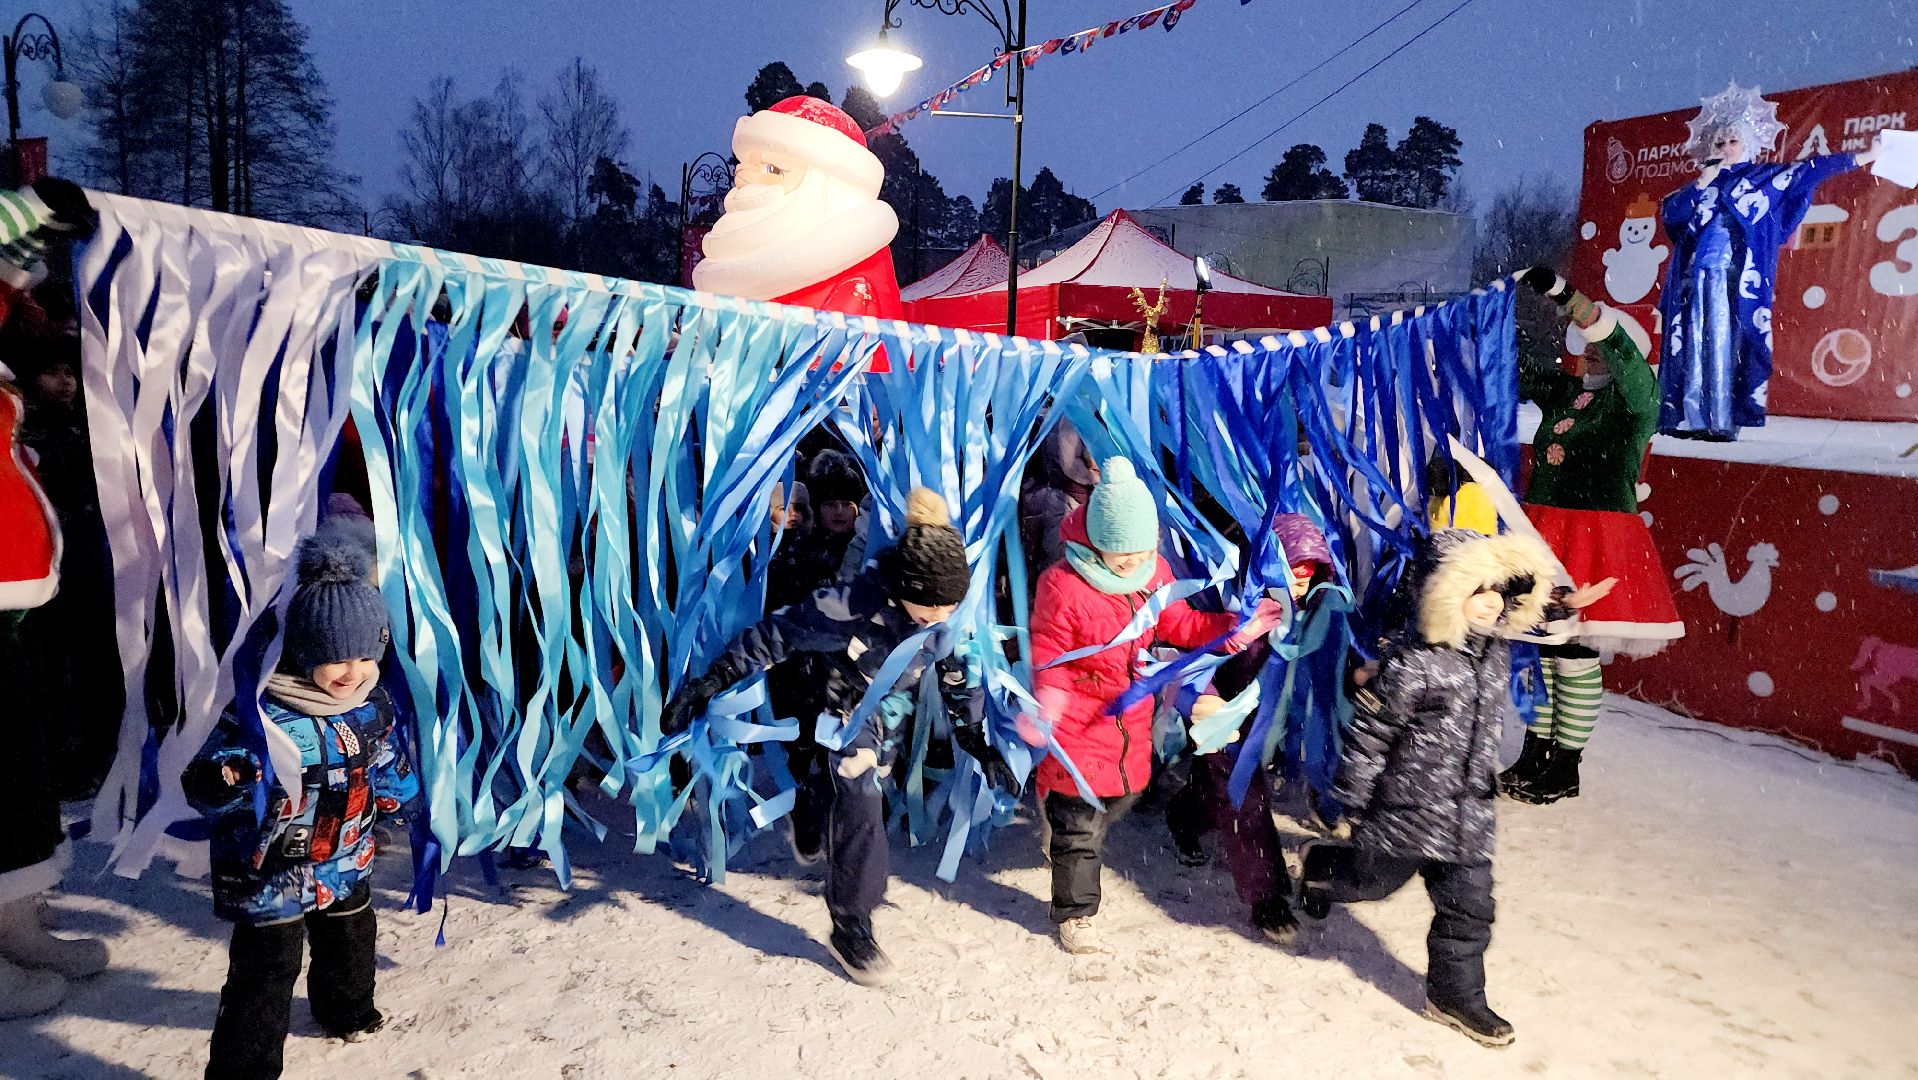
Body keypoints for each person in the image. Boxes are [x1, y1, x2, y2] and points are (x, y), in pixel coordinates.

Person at [662, 488, 1016, 987]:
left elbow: (961, 672)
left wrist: (976, 738)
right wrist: (712, 681)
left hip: (891, 711)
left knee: (858, 797)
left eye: (947, 610)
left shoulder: (944, 619)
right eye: (929, 610)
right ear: (905, 589)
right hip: (844, 707)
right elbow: (775, 635)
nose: (938, 620)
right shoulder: (853, 605)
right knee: (863, 803)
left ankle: (812, 798)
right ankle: (852, 923)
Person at [1297, 529, 1612, 1047]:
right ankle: (1322, 866)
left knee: (1469, 909)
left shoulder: (1493, 648)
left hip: (1470, 816)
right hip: (1405, 813)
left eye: (1498, 592)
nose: (1491, 604)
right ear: (1444, 596)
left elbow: (1531, 623)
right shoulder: (1412, 664)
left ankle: (1455, 996)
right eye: (1476, 591)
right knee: (1370, 885)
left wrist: (1561, 604)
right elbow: (1373, 736)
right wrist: (1350, 799)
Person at [185, 534, 420, 1079]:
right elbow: (202, 783)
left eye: (365, 656)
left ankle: (347, 1009)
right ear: (302, 651)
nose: (352, 672)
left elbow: (382, 760)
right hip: (271, 871)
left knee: (352, 936)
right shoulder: (262, 716)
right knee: (267, 970)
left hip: (345, 855)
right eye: (334, 658)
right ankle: (245, 1070)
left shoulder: (371, 706)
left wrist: (403, 801)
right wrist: (226, 779)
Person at [1028, 457, 1281, 954]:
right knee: (1081, 820)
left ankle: (1059, 828)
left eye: (1143, 548)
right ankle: (1077, 912)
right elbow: (1050, 650)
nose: (1133, 559)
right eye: (1122, 551)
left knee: (1122, 795)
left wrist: (1235, 631)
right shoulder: (1063, 584)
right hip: (1079, 718)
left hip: (1130, 720)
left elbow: (1179, 625)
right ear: (1096, 539)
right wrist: (1050, 700)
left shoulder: (1154, 572)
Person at [1502, 269, 1684, 803]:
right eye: (1584, 349)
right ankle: (1536, 749)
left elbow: (1624, 357)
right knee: (1538, 647)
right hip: (1545, 530)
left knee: (1574, 653)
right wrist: (1472, 323)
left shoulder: (1636, 401)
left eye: (1599, 348)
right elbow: (1514, 370)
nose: (1591, 357)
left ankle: (1566, 764)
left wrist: (1570, 300)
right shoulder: (1568, 394)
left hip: (1596, 534)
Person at [1164, 512, 1331, 946]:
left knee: (1220, 784)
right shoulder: (1226, 599)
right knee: (1244, 795)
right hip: (1220, 713)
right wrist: (1202, 699)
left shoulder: (1308, 608)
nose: (1301, 584)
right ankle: (1267, 895)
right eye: (1294, 574)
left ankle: (1182, 816)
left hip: (1263, 722)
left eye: (1309, 576)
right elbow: (1182, 654)